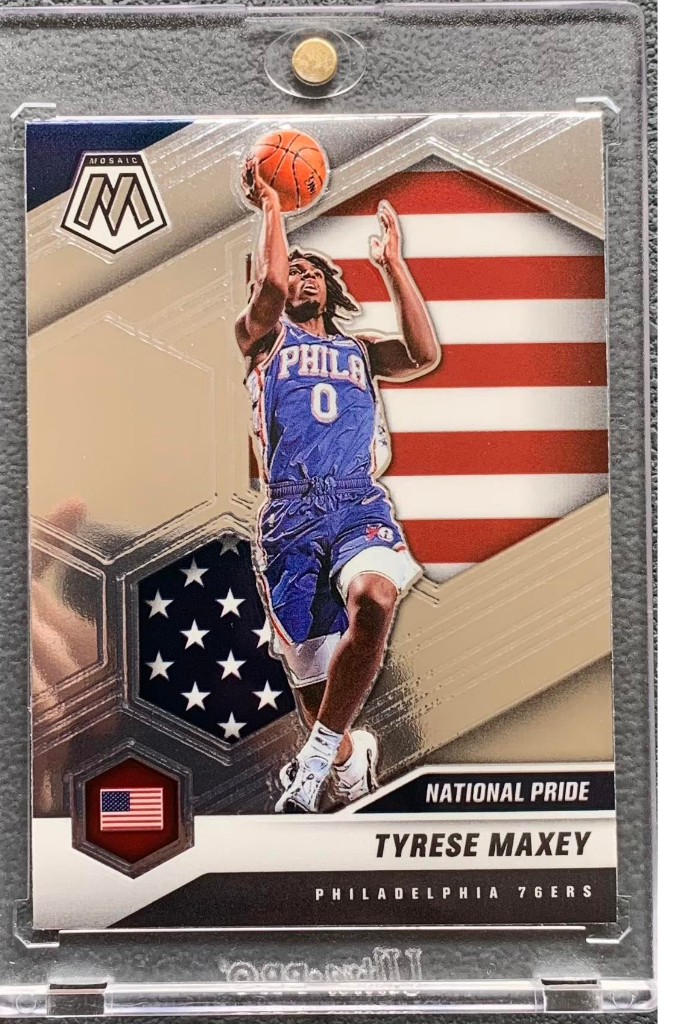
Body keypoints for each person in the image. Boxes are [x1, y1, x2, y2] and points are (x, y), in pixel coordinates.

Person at [235, 155, 441, 813]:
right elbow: (268, 287)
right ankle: (347, 756)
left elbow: (424, 355)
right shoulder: (261, 340)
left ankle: (317, 762)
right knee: (314, 682)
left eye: (314, 271)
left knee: (375, 599)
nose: (300, 276)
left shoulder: (361, 350)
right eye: (292, 268)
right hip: (290, 516)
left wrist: (393, 265)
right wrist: (272, 205)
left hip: (355, 499)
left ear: (329, 289)